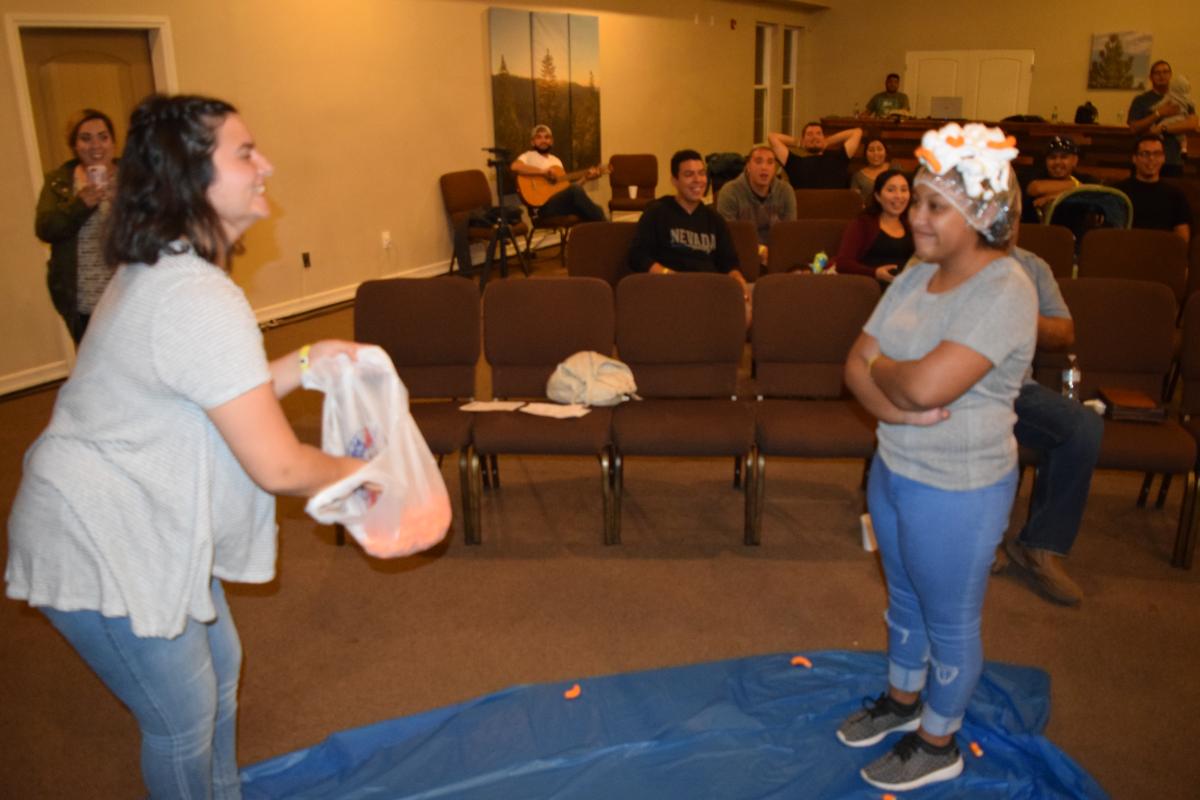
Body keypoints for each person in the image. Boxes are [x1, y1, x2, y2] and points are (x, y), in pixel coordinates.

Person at [6, 94, 367, 798]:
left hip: (150, 518)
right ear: (189, 178)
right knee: (181, 722)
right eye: (245, 153)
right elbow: (279, 464)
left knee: (220, 674)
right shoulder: (192, 293)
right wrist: (365, 473)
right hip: (98, 534)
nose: (266, 165)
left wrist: (307, 359)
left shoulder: (172, 273)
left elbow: (216, 391)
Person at [840, 122, 1035, 791]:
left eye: (934, 205)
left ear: (982, 214)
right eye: (916, 200)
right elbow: (854, 365)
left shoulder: (1006, 288)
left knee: (949, 619)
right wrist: (898, 406)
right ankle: (903, 702)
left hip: (959, 487)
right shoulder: (917, 274)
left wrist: (890, 374)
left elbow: (923, 384)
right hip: (893, 466)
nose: (914, 216)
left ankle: (938, 739)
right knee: (903, 599)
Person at [992, 230, 1104, 606]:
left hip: (1018, 387)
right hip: (959, 385)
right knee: (979, 424)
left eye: (1010, 213)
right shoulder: (945, 253)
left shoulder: (1033, 266)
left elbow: (1063, 332)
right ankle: (980, 539)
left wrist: (1017, 312)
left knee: (1083, 426)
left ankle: (1039, 546)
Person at [629, 149, 751, 317]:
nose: (697, 180)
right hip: (670, 291)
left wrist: (739, 281)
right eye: (689, 174)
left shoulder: (714, 219)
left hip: (709, 291)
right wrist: (669, 276)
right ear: (675, 181)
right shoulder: (657, 212)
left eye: (701, 173)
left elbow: (729, 263)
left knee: (748, 305)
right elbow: (638, 255)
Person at [35, 108, 120, 345]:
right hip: (85, 298)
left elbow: (161, 228)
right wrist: (80, 205)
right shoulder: (59, 182)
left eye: (103, 137)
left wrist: (126, 205)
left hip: (130, 293)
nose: (96, 146)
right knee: (94, 363)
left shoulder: (135, 178)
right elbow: (45, 229)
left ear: (113, 142)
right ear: (74, 145)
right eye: (86, 138)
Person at [715, 144, 796, 268]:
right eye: (758, 161)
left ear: (775, 168)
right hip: (741, 255)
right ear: (748, 166)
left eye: (770, 162)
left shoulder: (785, 190)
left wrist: (773, 252)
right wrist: (759, 250)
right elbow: (728, 234)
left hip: (776, 255)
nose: (764, 167)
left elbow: (789, 230)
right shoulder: (730, 191)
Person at [509, 124, 606, 222]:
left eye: (547, 137)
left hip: (559, 205)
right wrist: (543, 172)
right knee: (590, 209)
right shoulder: (528, 156)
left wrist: (586, 178)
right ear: (532, 142)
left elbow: (567, 189)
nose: (543, 140)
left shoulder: (556, 161)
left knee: (596, 209)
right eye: (539, 137)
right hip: (541, 208)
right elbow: (515, 167)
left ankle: (601, 227)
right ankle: (607, 226)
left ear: (551, 141)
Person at [834, 169, 913, 286]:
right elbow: (843, 264)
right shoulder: (863, 224)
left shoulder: (912, 224)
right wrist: (875, 272)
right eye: (891, 190)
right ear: (878, 196)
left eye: (904, 190)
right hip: (872, 287)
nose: (899, 196)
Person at [1112, 135, 1191, 242]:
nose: (1151, 159)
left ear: (1163, 158)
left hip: (1162, 250)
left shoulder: (1176, 195)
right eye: (1145, 154)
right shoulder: (1118, 192)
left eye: (1157, 154)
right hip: (1128, 248)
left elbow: (1182, 239)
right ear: (1134, 159)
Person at [1127, 60, 1198, 177]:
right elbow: (1134, 128)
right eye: (1157, 73)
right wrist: (1159, 113)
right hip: (1145, 159)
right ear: (1151, 77)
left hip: (1173, 159)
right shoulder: (1141, 100)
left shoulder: (1183, 97)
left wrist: (1162, 129)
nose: (1162, 75)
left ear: (1170, 75)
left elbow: (1192, 123)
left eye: (1165, 72)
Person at [1020, 135, 1099, 223]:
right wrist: (1075, 184)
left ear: (1075, 160)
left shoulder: (1086, 179)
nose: (1057, 162)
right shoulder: (1034, 175)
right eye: (1052, 157)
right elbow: (1036, 189)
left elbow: (1095, 191)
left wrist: (1053, 197)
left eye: (1063, 157)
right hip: (1037, 230)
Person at [768, 122, 863, 189]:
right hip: (806, 208)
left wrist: (828, 141)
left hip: (834, 207)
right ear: (803, 139)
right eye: (809, 134)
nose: (814, 137)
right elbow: (772, 137)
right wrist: (799, 143)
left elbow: (857, 132)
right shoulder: (794, 162)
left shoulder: (839, 158)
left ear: (823, 137)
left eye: (818, 133)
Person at [851, 136, 892, 205]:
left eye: (879, 149)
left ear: (886, 152)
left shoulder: (894, 168)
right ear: (865, 154)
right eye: (871, 150)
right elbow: (854, 201)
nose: (875, 153)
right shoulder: (858, 176)